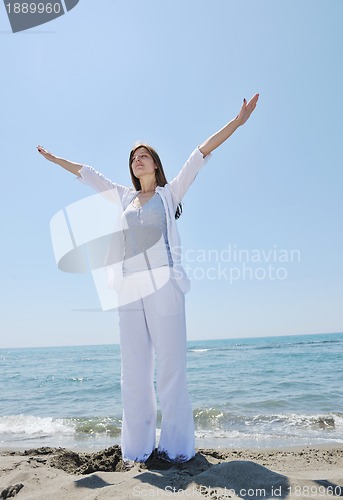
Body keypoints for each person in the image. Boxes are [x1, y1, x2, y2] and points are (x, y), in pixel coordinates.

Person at [37, 94, 259, 463]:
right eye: (132, 158)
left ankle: (176, 450)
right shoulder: (123, 197)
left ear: (154, 164)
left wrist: (237, 122)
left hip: (165, 287)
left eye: (142, 155)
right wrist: (54, 158)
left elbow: (200, 153)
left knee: (171, 369)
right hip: (128, 290)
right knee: (134, 374)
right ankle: (137, 450)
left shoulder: (170, 194)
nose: (136, 160)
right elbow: (87, 173)